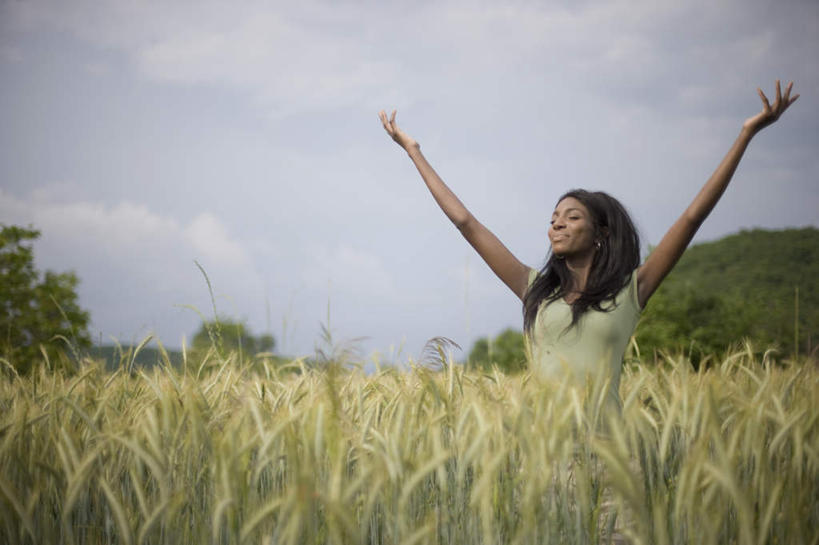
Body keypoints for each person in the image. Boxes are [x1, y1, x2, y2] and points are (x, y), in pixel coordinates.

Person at [379, 81, 798, 404]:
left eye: (571, 217)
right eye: (553, 219)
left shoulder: (632, 290)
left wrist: (746, 135)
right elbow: (466, 222)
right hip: (541, 466)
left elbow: (692, 217)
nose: (556, 225)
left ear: (601, 233)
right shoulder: (535, 292)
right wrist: (414, 152)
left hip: (609, 466)